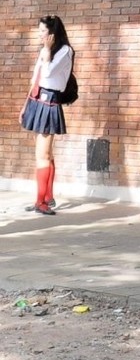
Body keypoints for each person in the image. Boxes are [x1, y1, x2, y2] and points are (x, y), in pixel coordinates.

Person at [21, 15, 73, 216]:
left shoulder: (65, 51)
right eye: (39, 31)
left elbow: (49, 74)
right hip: (37, 100)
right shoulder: (45, 50)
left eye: (43, 31)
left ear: (52, 33)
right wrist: (25, 105)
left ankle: (40, 202)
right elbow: (35, 78)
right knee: (46, 155)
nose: (40, 34)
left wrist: (47, 51)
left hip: (49, 102)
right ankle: (46, 197)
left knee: (42, 156)